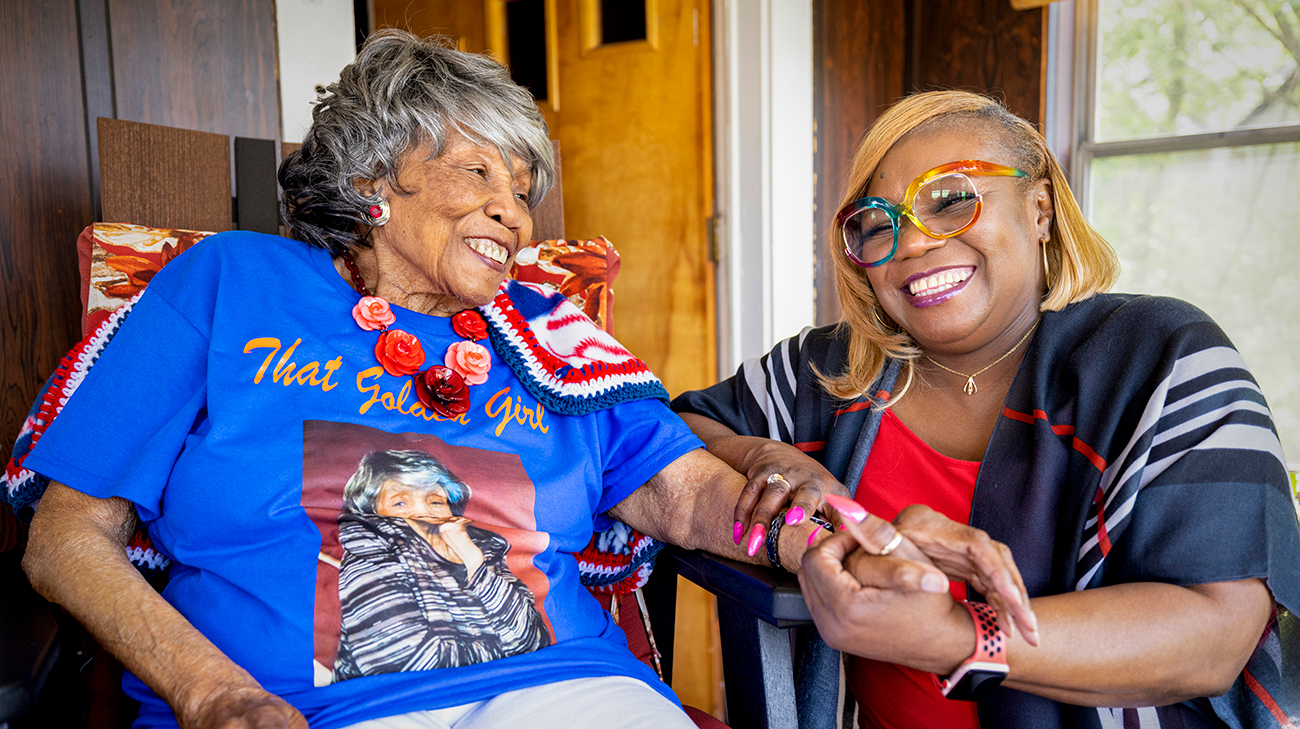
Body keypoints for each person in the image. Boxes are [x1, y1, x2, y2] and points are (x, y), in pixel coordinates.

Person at [19, 30, 965, 729]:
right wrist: (214, 691)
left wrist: (826, 541)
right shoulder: (229, 284)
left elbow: (694, 498)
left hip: (581, 699)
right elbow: (65, 539)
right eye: (477, 172)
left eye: (522, 189)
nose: (511, 214)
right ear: (373, 181)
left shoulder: (552, 335)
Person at [672, 90, 1300, 728]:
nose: (911, 244)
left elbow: (1215, 634)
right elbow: (678, 425)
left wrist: (958, 635)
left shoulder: (1158, 356)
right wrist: (769, 455)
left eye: (950, 200)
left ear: (1040, 209)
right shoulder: (831, 373)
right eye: (879, 223)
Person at [333, 450, 551, 679]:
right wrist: (502, 647)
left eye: (435, 501)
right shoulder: (367, 557)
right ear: (372, 514)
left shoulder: (480, 550)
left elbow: (533, 639)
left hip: (520, 683)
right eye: (400, 502)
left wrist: (474, 564)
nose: (423, 512)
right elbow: (412, 664)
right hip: (400, 701)